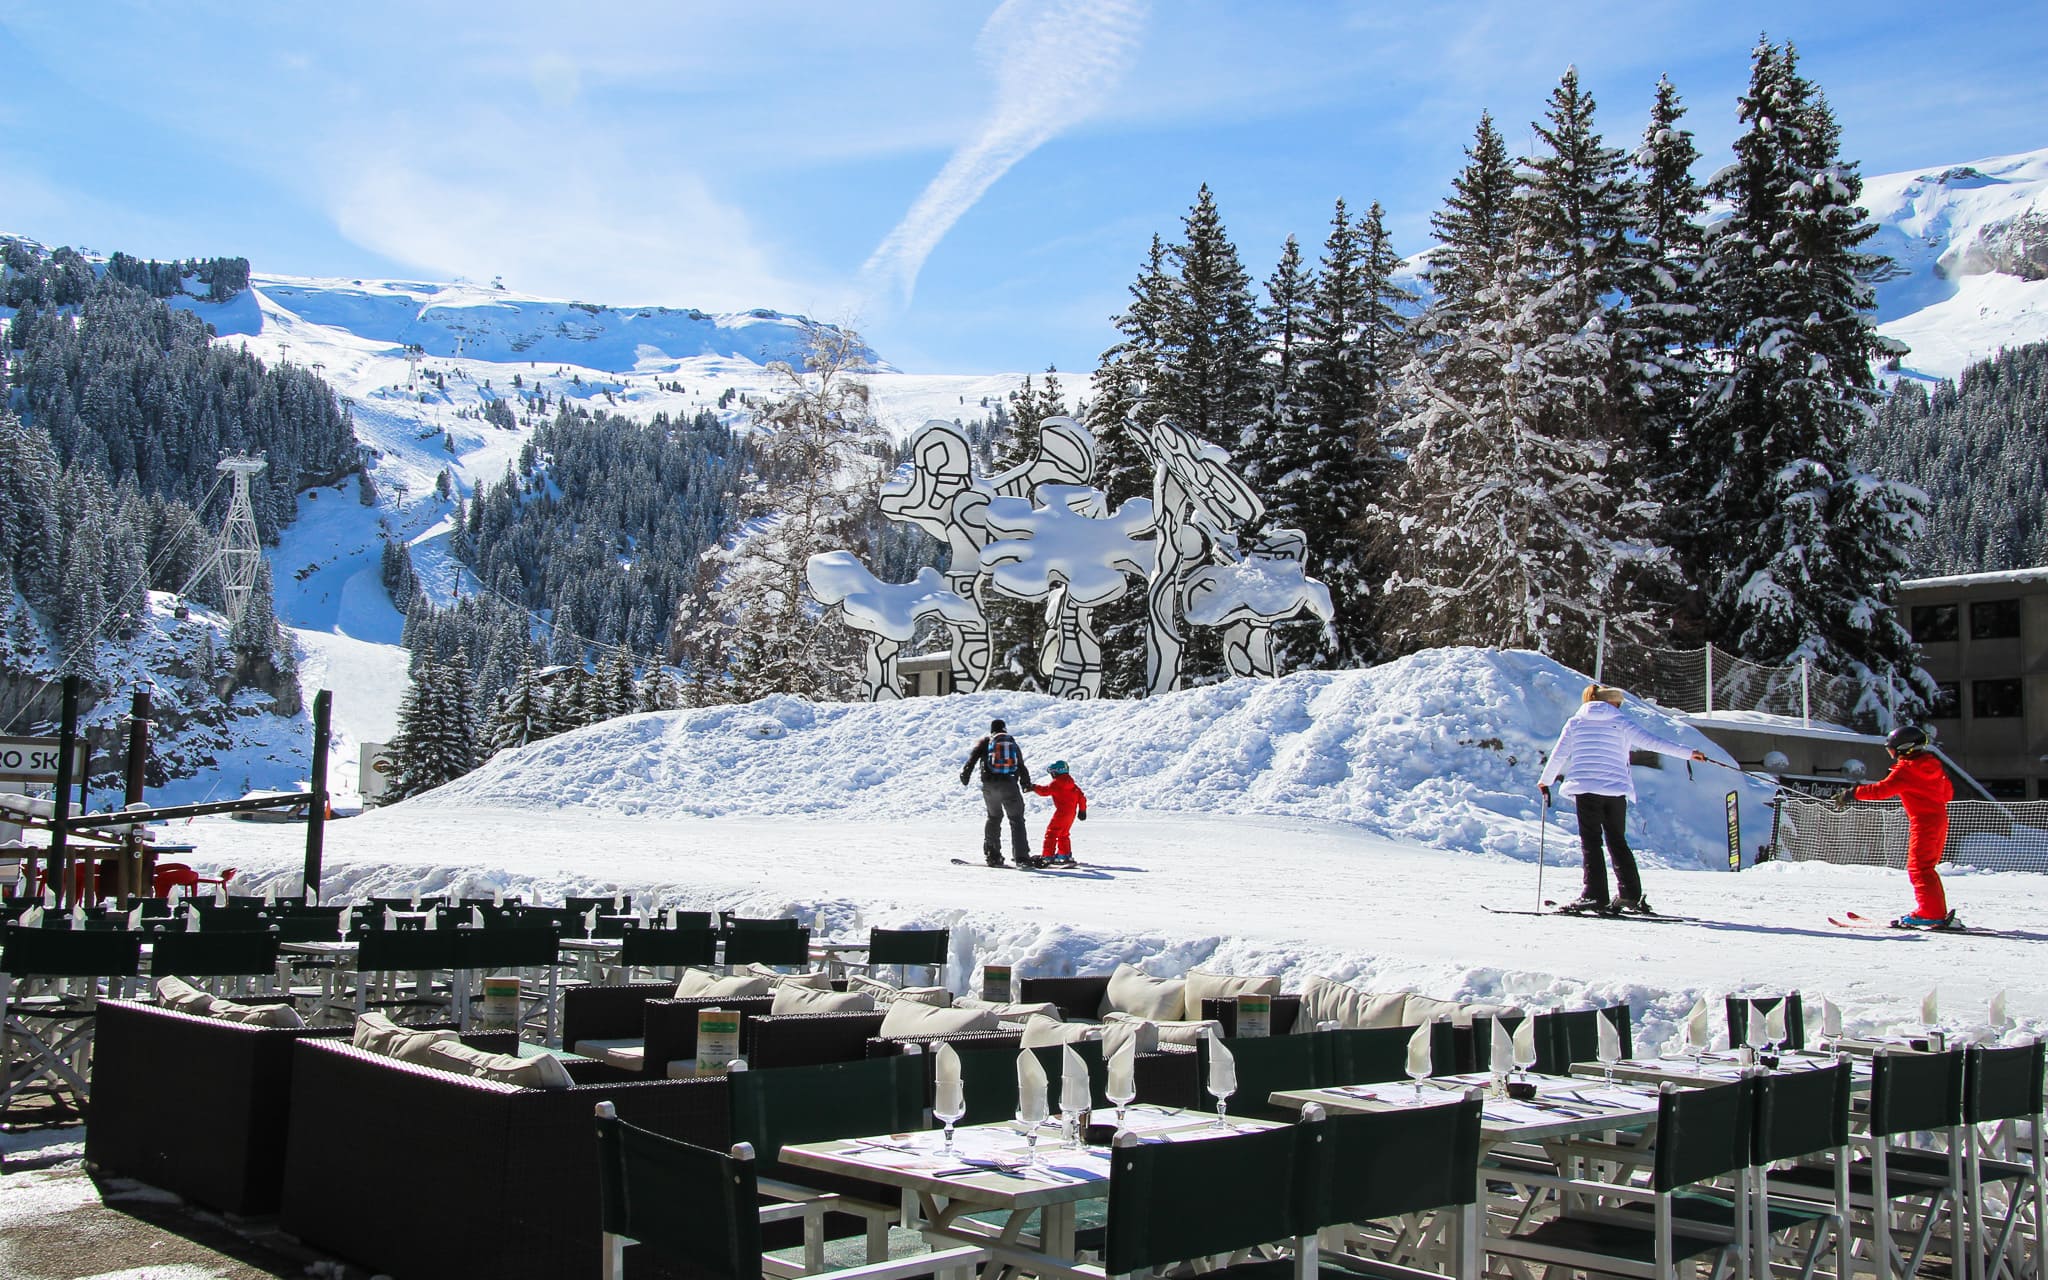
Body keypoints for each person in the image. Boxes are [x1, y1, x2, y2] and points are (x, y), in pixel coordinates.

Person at [1536, 684, 1708, 915]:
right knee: (1617, 841)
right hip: (1616, 790)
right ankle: (1630, 895)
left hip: (1586, 789)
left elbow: (1559, 755)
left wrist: (1545, 780)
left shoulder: (1576, 722)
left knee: (1591, 842)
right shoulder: (1621, 722)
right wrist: (1688, 753)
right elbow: (1653, 742)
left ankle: (1594, 896)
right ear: (1614, 703)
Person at [1836, 724, 1955, 928]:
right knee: (1925, 867)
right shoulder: (1933, 766)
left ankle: (1930, 913)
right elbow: (1947, 794)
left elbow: (1881, 790)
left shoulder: (1907, 770)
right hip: (1939, 821)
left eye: (1892, 749)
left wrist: (1852, 794)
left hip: (1923, 823)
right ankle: (1932, 911)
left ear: (1904, 748)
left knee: (1919, 868)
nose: (1891, 754)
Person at [960, 718, 1034, 867]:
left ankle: (993, 856)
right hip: (1009, 785)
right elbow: (1020, 764)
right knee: (1016, 820)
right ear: (1005, 729)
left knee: (993, 818)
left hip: (989, 787)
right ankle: (1022, 858)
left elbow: (972, 760)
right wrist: (1025, 783)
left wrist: (965, 776)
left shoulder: (986, 742)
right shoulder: (1011, 743)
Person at [1029, 760, 1088, 867]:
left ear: (1056, 772)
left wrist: (1033, 787)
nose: (1052, 775)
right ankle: (1064, 855)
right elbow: (1082, 798)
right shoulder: (1072, 784)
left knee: (1051, 833)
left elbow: (1045, 791)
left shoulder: (1057, 782)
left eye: (1052, 773)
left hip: (1061, 813)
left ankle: (1047, 856)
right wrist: (1082, 810)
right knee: (1063, 834)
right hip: (1071, 814)